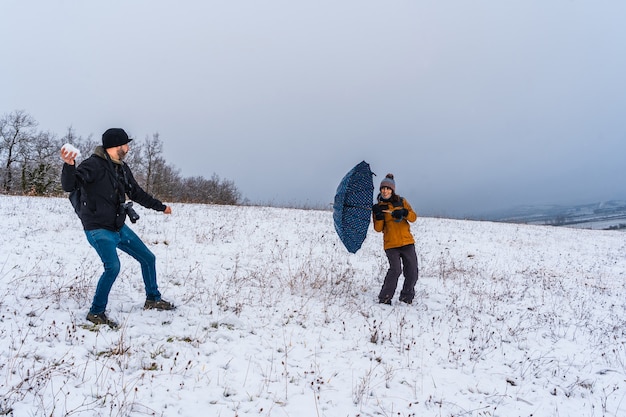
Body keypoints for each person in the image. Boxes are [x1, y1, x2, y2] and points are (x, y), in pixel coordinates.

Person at [60, 128, 175, 329]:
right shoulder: (93, 165)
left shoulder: (121, 168)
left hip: (118, 226)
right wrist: (69, 165)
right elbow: (70, 185)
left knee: (148, 258)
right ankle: (95, 313)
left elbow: (136, 193)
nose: (128, 148)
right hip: (97, 228)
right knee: (112, 267)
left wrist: (161, 206)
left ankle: (153, 299)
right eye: (126, 144)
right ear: (116, 146)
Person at [371, 173, 419, 305]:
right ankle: (385, 297)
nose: (385, 191)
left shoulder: (402, 202)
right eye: (383, 188)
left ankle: (406, 297)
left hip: (407, 242)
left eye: (387, 188)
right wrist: (379, 216)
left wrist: (404, 213)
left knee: (412, 271)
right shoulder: (378, 207)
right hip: (391, 244)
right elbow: (378, 229)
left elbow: (413, 217)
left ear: (392, 190)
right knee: (395, 270)